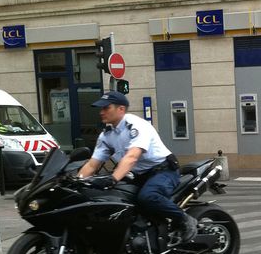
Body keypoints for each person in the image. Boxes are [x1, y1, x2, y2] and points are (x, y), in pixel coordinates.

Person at [77, 91, 198, 242]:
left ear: (121, 109)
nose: (101, 112)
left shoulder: (136, 126)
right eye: (100, 109)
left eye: (106, 108)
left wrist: (112, 179)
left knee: (148, 196)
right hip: (139, 175)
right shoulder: (106, 135)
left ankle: (184, 219)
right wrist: (77, 182)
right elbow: (92, 164)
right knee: (116, 197)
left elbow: (132, 156)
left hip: (163, 170)